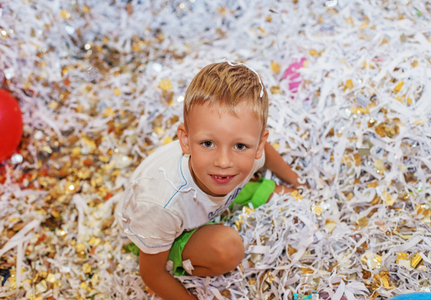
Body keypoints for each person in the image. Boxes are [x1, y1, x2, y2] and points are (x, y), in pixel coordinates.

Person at [115, 61, 303, 300]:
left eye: (240, 145)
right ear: (185, 140)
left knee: (291, 198)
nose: (224, 161)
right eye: (207, 143)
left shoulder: (243, 155)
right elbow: (151, 274)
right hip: (155, 234)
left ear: (258, 143)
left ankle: (248, 190)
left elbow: (269, 155)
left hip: (207, 196)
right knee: (226, 250)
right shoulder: (161, 205)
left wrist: (298, 181)